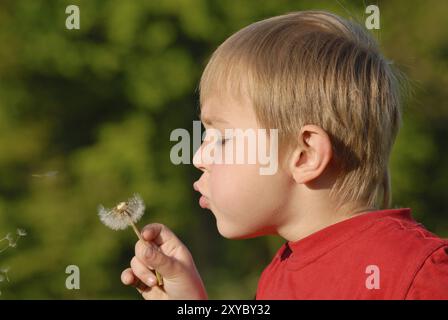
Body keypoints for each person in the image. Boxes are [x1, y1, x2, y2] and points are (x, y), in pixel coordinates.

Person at [120, 11, 448, 299]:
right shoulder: (277, 276)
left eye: (222, 139)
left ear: (304, 155)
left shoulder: (420, 275)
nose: (198, 157)